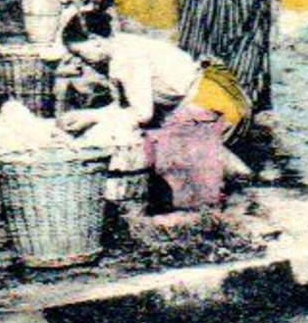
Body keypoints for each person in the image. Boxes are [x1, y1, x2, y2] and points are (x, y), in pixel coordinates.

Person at [60, 15, 250, 211]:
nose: (81, 61)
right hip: (209, 94)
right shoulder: (121, 46)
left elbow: (141, 114)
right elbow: (126, 107)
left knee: (165, 151)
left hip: (213, 101)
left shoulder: (127, 58)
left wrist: (91, 117)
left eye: (80, 53)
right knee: (164, 138)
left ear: (95, 41)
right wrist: (90, 115)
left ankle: (228, 191)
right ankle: (235, 176)